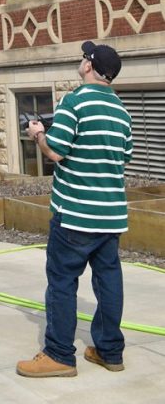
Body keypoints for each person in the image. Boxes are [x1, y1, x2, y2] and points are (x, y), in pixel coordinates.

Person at [16, 41, 133, 378]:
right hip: (110, 216)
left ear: (88, 67)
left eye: (85, 57)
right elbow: (123, 158)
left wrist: (38, 134)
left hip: (75, 215)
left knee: (62, 282)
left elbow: (57, 153)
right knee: (109, 281)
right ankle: (110, 351)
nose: (81, 60)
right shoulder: (122, 112)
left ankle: (58, 355)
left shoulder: (74, 101)